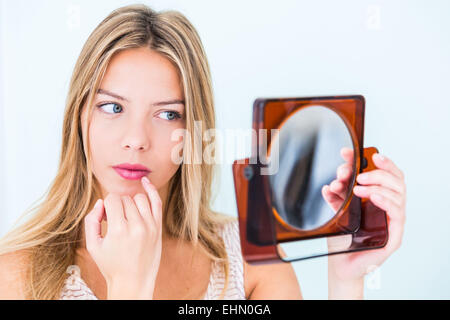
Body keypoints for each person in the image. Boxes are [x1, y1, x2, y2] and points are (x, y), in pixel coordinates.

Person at [0, 4, 406, 300]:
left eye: (167, 114)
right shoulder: (16, 278)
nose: (136, 139)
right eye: (113, 107)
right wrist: (130, 287)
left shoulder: (248, 259)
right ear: (80, 117)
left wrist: (348, 280)